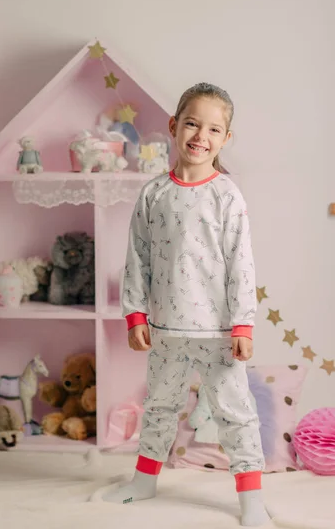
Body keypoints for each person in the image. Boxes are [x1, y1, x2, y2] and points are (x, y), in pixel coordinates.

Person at [102, 83, 270, 527]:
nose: (201, 135)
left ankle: (252, 501)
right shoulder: (153, 193)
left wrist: (243, 326)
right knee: (158, 407)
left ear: (226, 139)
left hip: (217, 334)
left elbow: (241, 264)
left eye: (215, 129)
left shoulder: (227, 196)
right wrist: (135, 314)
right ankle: (144, 481)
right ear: (174, 126)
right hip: (166, 330)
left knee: (236, 415)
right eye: (193, 123)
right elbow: (136, 257)